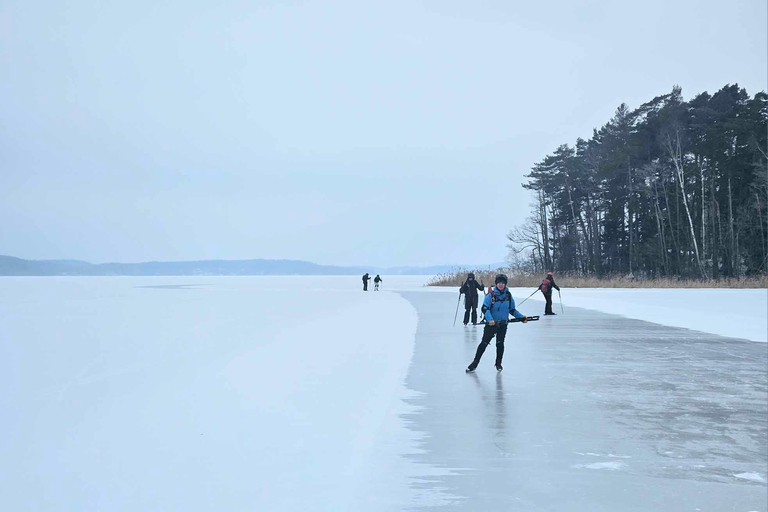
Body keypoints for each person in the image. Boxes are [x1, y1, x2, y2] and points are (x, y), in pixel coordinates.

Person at [466, 274, 528, 373]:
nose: (501, 285)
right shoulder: (491, 295)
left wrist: (521, 317)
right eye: (499, 283)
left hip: (503, 324)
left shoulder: (508, 295)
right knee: (484, 343)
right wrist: (490, 319)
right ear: (496, 284)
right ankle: (475, 362)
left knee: (500, 344)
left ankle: (498, 363)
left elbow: (512, 310)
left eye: (503, 283)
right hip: (491, 325)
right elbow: (485, 308)